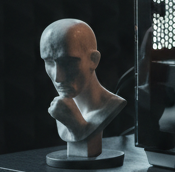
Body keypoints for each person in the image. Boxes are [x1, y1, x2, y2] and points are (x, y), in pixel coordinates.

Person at [40, 18, 126, 157]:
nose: (58, 78)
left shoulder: (111, 106)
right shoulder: (61, 108)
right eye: (49, 62)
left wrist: (77, 126)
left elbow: (81, 133)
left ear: (94, 60)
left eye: (68, 62)